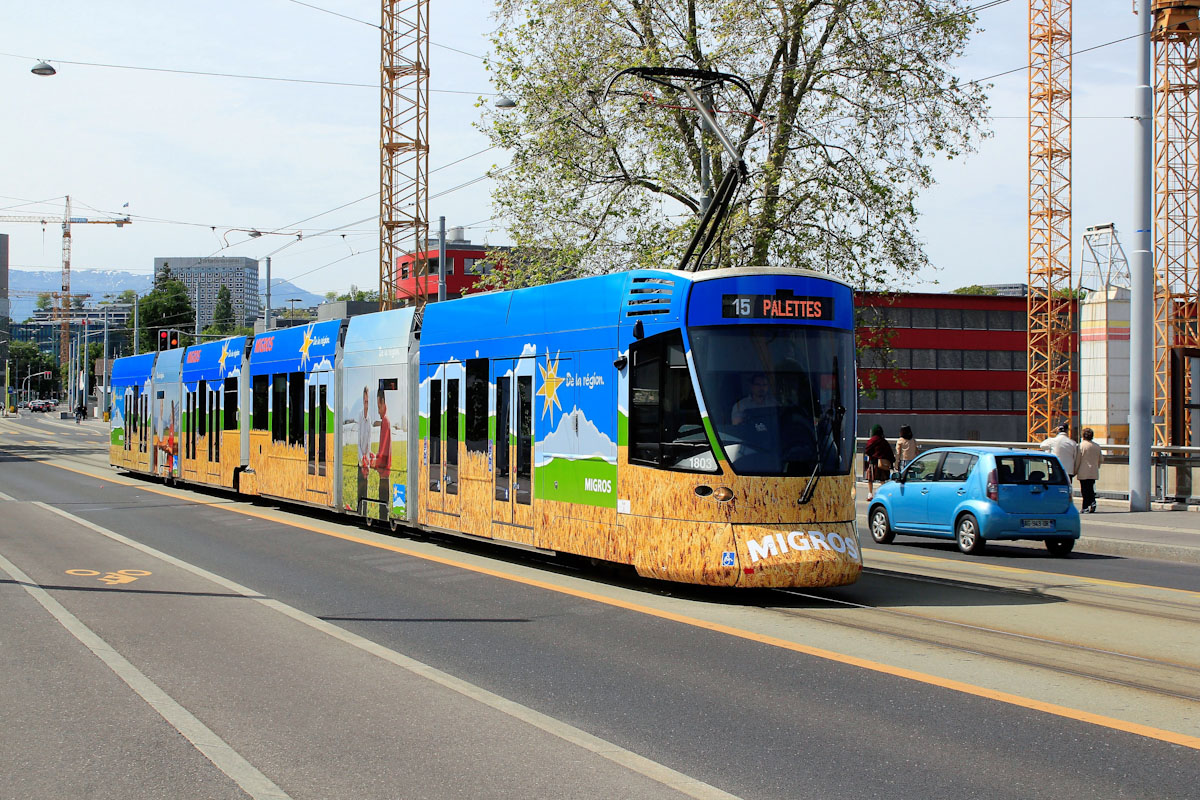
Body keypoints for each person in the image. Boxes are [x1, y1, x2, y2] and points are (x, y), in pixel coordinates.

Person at [1040, 422, 1080, 488]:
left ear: (1058, 430)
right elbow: (1075, 457)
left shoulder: (1052, 441)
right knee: (1067, 489)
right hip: (1068, 470)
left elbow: (1042, 446)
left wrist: (1049, 441)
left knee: (1054, 488)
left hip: (1055, 469)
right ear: (1067, 430)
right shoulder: (1072, 443)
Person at [373, 386, 393, 511]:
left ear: (382, 403)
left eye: (378, 407)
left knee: (383, 509)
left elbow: (383, 454)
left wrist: (372, 461)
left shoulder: (385, 421)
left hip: (384, 478)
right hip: (385, 476)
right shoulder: (386, 420)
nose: (378, 411)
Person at [863, 424, 893, 500]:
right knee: (882, 480)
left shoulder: (872, 440)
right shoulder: (884, 441)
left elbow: (867, 450)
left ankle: (870, 494)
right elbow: (889, 453)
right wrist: (891, 462)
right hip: (882, 463)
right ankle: (884, 494)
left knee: (870, 480)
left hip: (873, 462)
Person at [1077, 427, 1103, 513]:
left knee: (1084, 490)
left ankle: (1085, 506)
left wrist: (1075, 470)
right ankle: (1092, 502)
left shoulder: (1081, 446)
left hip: (1083, 471)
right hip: (1093, 471)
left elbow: (1078, 459)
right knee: (1091, 488)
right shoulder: (1097, 446)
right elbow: (1101, 459)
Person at [356, 386, 373, 511]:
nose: (366, 404)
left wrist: (368, 458)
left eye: (368, 401)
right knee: (360, 487)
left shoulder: (370, 418)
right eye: (365, 401)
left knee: (365, 487)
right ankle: (359, 507)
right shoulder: (359, 417)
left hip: (366, 461)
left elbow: (370, 440)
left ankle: (365, 508)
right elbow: (358, 442)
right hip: (361, 460)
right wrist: (362, 458)